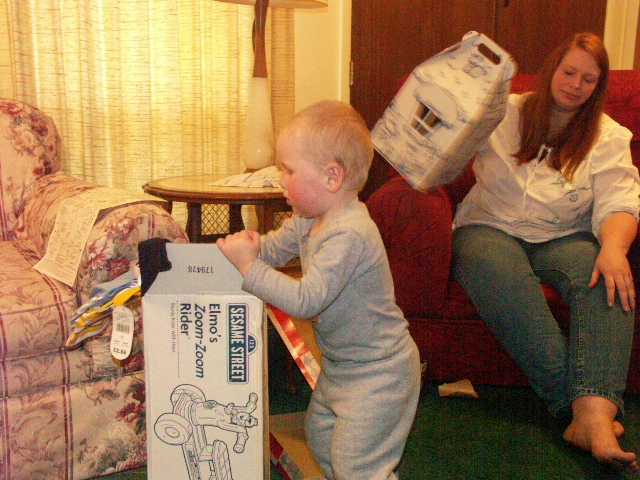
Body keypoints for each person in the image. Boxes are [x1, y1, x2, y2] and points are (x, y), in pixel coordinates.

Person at [452, 32, 640, 472]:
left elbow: (620, 200)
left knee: (608, 280)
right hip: (488, 226)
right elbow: (447, 149)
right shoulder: (503, 112)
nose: (575, 85)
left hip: (565, 234)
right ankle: (584, 411)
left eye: (589, 79)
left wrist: (614, 249)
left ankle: (591, 415)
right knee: (501, 274)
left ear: (599, 86)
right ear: (553, 68)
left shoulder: (608, 136)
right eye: (569, 72)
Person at [216, 100, 421, 479]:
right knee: (322, 439)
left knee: (357, 465)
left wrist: (248, 267)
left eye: (289, 170)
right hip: (341, 365)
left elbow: (306, 300)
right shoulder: (308, 218)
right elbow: (275, 248)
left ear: (332, 177)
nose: (281, 179)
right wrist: (251, 247)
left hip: (380, 373)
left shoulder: (350, 234)